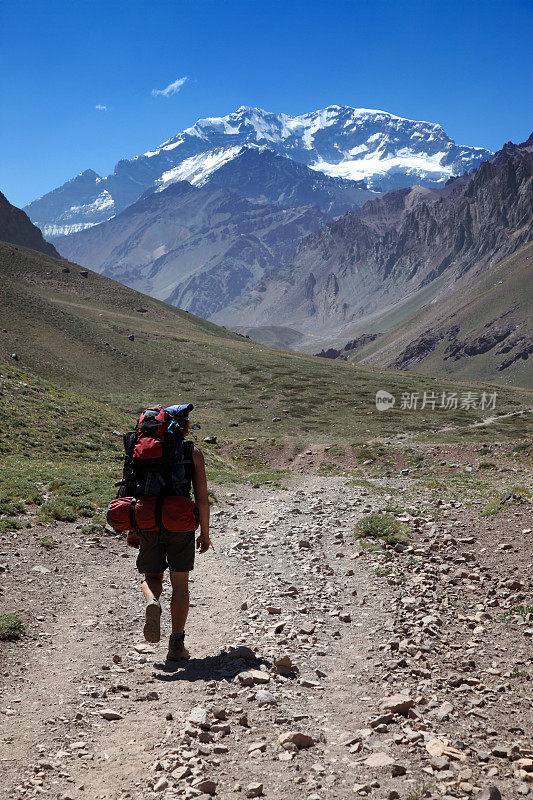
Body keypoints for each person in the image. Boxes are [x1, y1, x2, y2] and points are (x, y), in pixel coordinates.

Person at [129, 404, 210, 661]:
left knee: (152, 577)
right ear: (182, 425)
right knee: (180, 585)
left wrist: (133, 529)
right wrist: (205, 533)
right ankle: (176, 644)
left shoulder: (141, 449)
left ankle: (152, 601)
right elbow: (202, 498)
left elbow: (132, 490)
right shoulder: (192, 452)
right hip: (180, 522)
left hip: (149, 520)